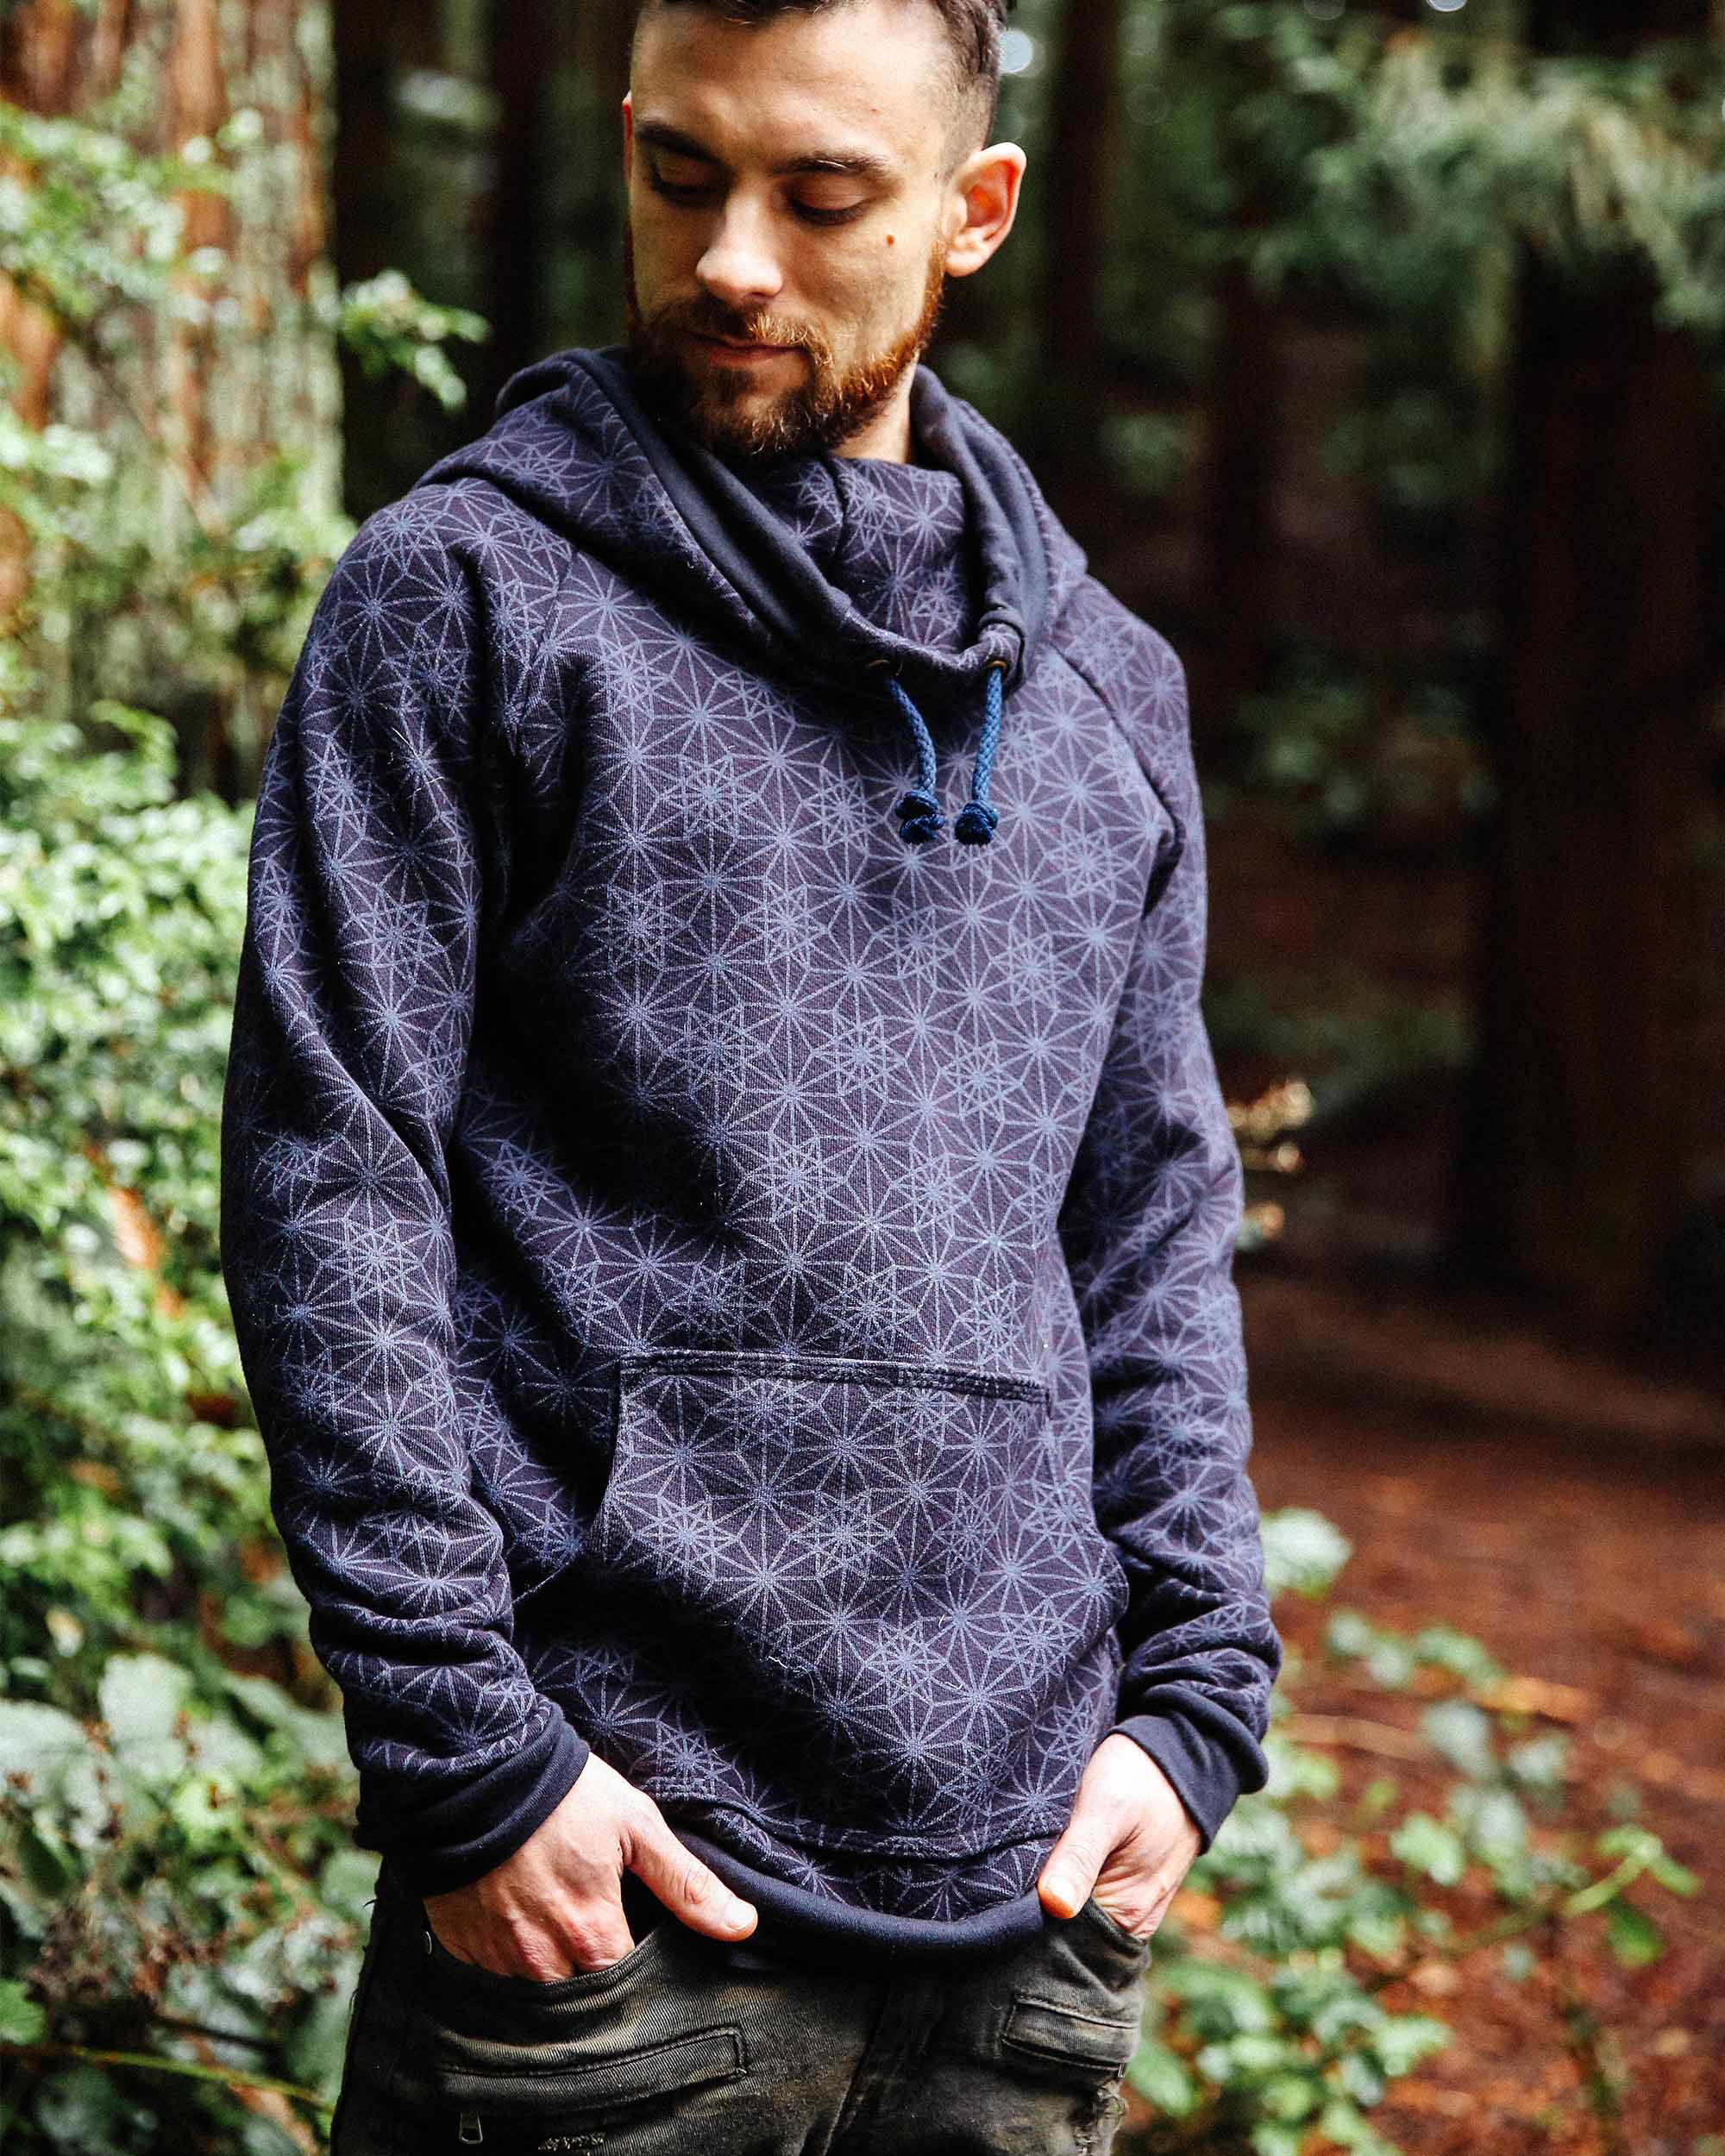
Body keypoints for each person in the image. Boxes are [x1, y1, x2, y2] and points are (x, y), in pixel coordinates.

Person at [218, 1, 1284, 2148]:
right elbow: (330, 1168)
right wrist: (468, 1760)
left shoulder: (1105, 693)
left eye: (821, 194)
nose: (728, 257)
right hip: (605, 1914)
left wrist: (1193, 1700)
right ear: (627, 139)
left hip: (1020, 1922)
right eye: (682, 174)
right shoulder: (466, 598)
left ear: (974, 209)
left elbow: (1152, 1227)